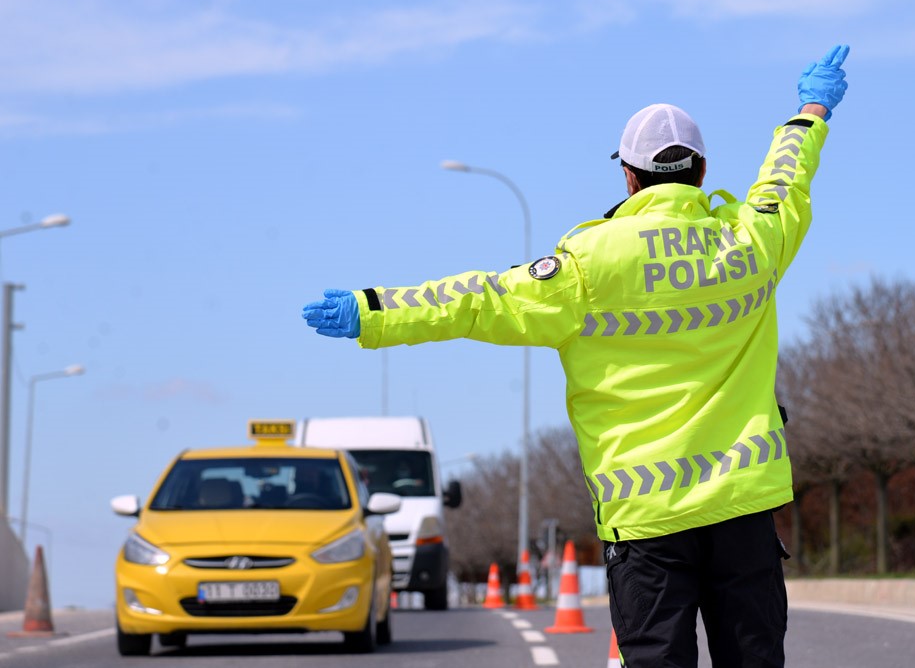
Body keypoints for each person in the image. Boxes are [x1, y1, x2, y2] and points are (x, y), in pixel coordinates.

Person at [301, 44, 850, 667]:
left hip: (646, 519)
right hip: (744, 509)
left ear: (629, 176)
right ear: (701, 172)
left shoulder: (587, 266)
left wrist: (373, 310)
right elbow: (784, 179)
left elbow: (476, 299)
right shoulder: (752, 242)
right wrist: (811, 109)